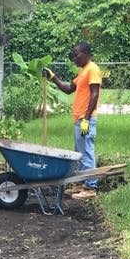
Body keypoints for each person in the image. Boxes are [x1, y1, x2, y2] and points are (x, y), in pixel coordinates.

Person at [44, 41, 102, 200]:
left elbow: (95, 94)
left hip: (85, 120)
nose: (74, 58)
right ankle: (81, 183)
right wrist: (53, 77)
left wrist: (87, 119)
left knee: (86, 152)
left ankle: (90, 187)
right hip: (79, 119)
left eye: (77, 54)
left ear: (86, 53)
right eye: (74, 55)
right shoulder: (82, 71)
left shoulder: (93, 69)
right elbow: (69, 89)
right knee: (79, 153)